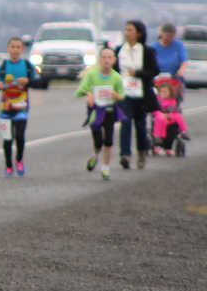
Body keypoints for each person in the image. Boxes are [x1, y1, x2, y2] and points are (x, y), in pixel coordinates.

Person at [115, 20, 159, 170]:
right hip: (124, 94)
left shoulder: (147, 51)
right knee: (125, 123)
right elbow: (114, 71)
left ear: (138, 33)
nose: (126, 33)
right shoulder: (119, 50)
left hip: (141, 94)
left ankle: (142, 153)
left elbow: (154, 70)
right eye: (126, 30)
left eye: (130, 30)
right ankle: (125, 155)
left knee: (140, 126)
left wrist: (138, 73)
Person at [75, 47, 124, 180]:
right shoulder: (92, 75)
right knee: (98, 139)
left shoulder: (116, 77)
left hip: (109, 110)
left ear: (114, 60)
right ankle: (96, 156)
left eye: (109, 57)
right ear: (99, 60)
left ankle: (106, 167)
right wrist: (89, 94)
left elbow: (122, 95)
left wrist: (116, 95)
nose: (106, 60)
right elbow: (82, 89)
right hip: (95, 112)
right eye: (104, 57)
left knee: (108, 139)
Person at [0, 36, 38, 177]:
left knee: (19, 136)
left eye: (18, 47)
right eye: (12, 47)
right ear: (8, 49)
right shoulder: (3, 67)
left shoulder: (27, 66)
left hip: (21, 107)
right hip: (5, 108)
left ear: (22, 50)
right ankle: (8, 166)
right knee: (7, 139)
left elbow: (38, 81)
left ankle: (19, 160)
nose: (15, 50)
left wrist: (28, 81)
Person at [153, 80, 189, 155]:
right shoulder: (158, 100)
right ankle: (158, 138)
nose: (163, 94)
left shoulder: (172, 100)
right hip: (160, 115)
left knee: (178, 116)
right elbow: (155, 110)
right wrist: (161, 113)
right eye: (161, 92)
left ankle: (183, 132)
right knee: (160, 119)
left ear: (170, 93)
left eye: (165, 92)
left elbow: (173, 109)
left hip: (170, 115)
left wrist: (169, 113)